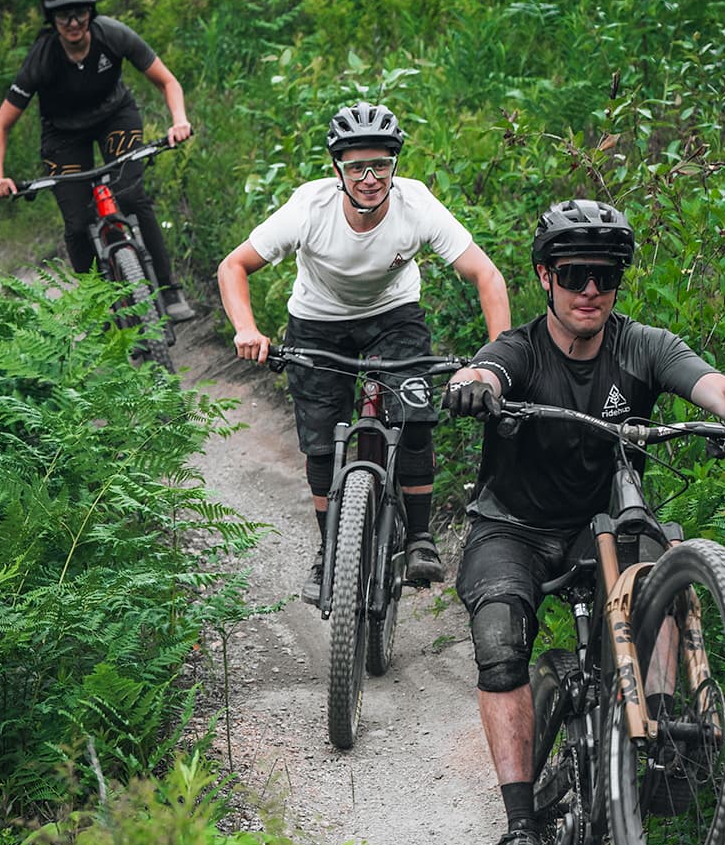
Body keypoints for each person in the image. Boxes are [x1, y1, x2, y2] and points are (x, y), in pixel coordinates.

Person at [442, 197, 725, 845]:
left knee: (660, 567)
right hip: (512, 526)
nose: (590, 291)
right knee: (498, 634)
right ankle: (519, 827)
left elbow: (718, 385)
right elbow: (481, 372)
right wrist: (471, 389)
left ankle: (661, 730)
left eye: (605, 277)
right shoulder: (519, 348)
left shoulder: (643, 346)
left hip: (600, 527)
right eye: (575, 274)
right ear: (545, 276)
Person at [217, 100, 511, 600]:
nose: (370, 178)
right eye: (356, 167)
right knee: (318, 440)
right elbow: (233, 267)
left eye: (381, 165)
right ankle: (328, 550)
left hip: (394, 317)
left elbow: (487, 275)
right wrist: (248, 329)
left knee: (414, 412)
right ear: (338, 170)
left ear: (395, 165)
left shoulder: (415, 205)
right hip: (317, 324)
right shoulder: (310, 208)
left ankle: (420, 537)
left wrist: (494, 361)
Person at [0, 0, 195, 321]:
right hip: (63, 134)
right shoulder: (42, 59)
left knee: (131, 197)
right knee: (77, 222)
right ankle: (94, 311)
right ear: (51, 18)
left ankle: (168, 289)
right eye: (64, 14)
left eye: (80, 11)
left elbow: (167, 82)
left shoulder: (112, 35)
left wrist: (179, 121)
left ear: (91, 11)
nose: (73, 22)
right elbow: (1, 126)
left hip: (115, 116)